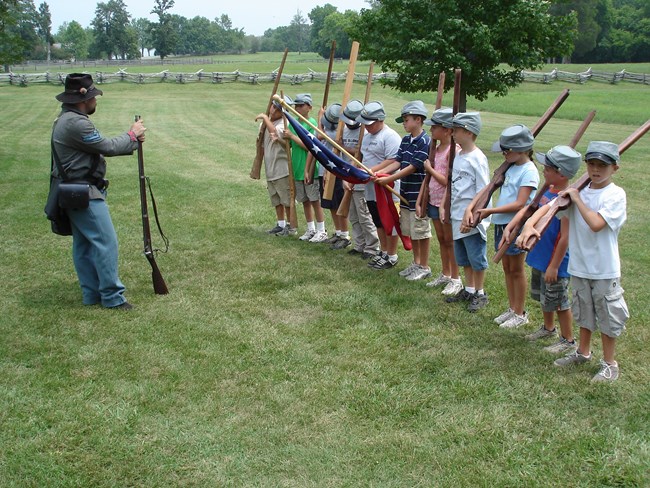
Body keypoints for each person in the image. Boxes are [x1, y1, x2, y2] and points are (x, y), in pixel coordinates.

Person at [518, 141, 629, 382]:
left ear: (615, 168)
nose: (596, 170)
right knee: (584, 312)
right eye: (591, 164)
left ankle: (610, 363)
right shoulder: (579, 192)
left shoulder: (615, 195)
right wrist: (528, 225)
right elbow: (548, 208)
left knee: (607, 317)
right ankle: (583, 352)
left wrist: (577, 198)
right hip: (579, 266)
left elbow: (597, 224)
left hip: (603, 269)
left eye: (602, 165)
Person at [51, 73, 146, 310]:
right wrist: (132, 135)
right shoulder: (76, 122)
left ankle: (91, 294)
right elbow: (107, 146)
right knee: (106, 242)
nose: (96, 101)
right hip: (83, 191)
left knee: (84, 244)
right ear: (84, 99)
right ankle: (113, 297)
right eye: (94, 96)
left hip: (74, 190)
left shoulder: (66, 118)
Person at [468, 125, 539, 327]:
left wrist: (489, 211)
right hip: (501, 224)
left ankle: (520, 312)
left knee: (516, 269)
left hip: (515, 225)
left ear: (523, 149)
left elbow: (520, 203)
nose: (504, 153)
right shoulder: (510, 167)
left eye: (508, 150)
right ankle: (511, 308)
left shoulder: (529, 171)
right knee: (507, 268)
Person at [513, 146, 580, 353]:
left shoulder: (567, 201)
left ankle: (567, 339)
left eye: (548, 169)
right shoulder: (549, 191)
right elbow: (539, 213)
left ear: (560, 173)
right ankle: (548, 328)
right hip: (541, 256)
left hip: (556, 262)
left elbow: (565, 237)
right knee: (544, 297)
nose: (543, 171)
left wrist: (554, 266)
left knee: (559, 302)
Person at [374, 101, 432, 280]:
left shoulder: (425, 141)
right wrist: (381, 173)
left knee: (421, 231)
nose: (404, 123)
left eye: (406, 120)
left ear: (418, 119)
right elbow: (398, 161)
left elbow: (414, 166)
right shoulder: (406, 140)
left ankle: (424, 265)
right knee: (411, 230)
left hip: (419, 195)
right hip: (406, 192)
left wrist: (389, 179)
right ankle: (416, 262)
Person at [442, 112, 491, 312]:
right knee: (463, 257)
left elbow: (484, 188)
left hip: (471, 217)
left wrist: (475, 214)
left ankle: (480, 292)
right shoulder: (459, 155)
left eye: (457, 130)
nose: (453, 133)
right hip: (456, 213)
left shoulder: (478, 158)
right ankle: (469, 289)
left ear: (469, 132)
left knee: (476, 257)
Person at [355, 101, 403, 268]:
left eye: (370, 124)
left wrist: (372, 170)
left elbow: (394, 160)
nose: (366, 127)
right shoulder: (367, 136)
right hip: (370, 188)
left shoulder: (390, 137)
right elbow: (363, 156)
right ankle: (383, 251)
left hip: (387, 188)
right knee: (378, 221)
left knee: (390, 221)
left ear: (380, 120)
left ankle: (392, 255)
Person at [421, 108, 462, 295]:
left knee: (450, 241)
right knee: (442, 239)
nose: (431, 131)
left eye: (435, 128)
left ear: (447, 130)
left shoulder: (453, 151)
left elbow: (447, 180)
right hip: (434, 200)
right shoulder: (436, 150)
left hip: (446, 203)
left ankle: (455, 277)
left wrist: (429, 169)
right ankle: (445, 273)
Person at [284, 93, 327, 242]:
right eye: (296, 105)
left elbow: (310, 147)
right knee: (305, 201)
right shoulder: (293, 123)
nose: (298, 108)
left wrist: (292, 136)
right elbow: (289, 145)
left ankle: (321, 230)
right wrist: (281, 139)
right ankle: (310, 229)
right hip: (297, 168)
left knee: (315, 200)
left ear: (309, 107)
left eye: (301, 105)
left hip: (310, 169)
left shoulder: (312, 123)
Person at [255, 98, 292, 236]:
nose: (273, 110)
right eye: (272, 107)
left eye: (277, 109)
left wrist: (265, 117)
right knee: (276, 198)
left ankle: (290, 225)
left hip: (282, 169)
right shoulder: (266, 125)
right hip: (270, 168)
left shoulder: (284, 124)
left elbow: (275, 133)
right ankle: (280, 223)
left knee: (286, 199)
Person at [315, 103, 350, 247]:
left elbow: (319, 135)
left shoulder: (337, 132)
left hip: (336, 172)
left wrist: (319, 117)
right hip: (325, 171)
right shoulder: (330, 130)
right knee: (330, 204)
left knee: (338, 204)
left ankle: (345, 235)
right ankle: (338, 232)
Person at [336, 99, 365, 251]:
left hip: (359, 175)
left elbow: (361, 152)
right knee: (353, 215)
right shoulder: (343, 129)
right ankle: (358, 244)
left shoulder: (364, 131)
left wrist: (343, 147)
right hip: (345, 174)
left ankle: (370, 247)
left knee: (363, 216)